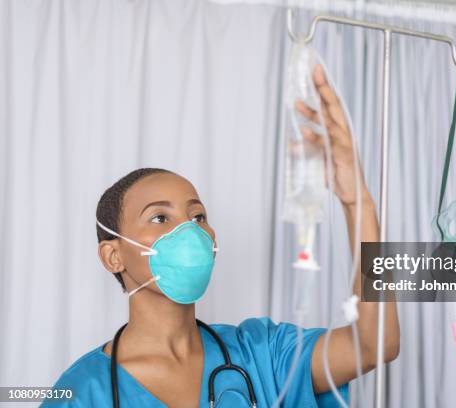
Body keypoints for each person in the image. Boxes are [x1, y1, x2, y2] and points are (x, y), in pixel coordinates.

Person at [43, 64, 399, 407]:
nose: (189, 230)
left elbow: (375, 344)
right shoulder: (82, 392)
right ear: (113, 256)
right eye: (160, 217)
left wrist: (358, 203)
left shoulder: (262, 352)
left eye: (197, 216)